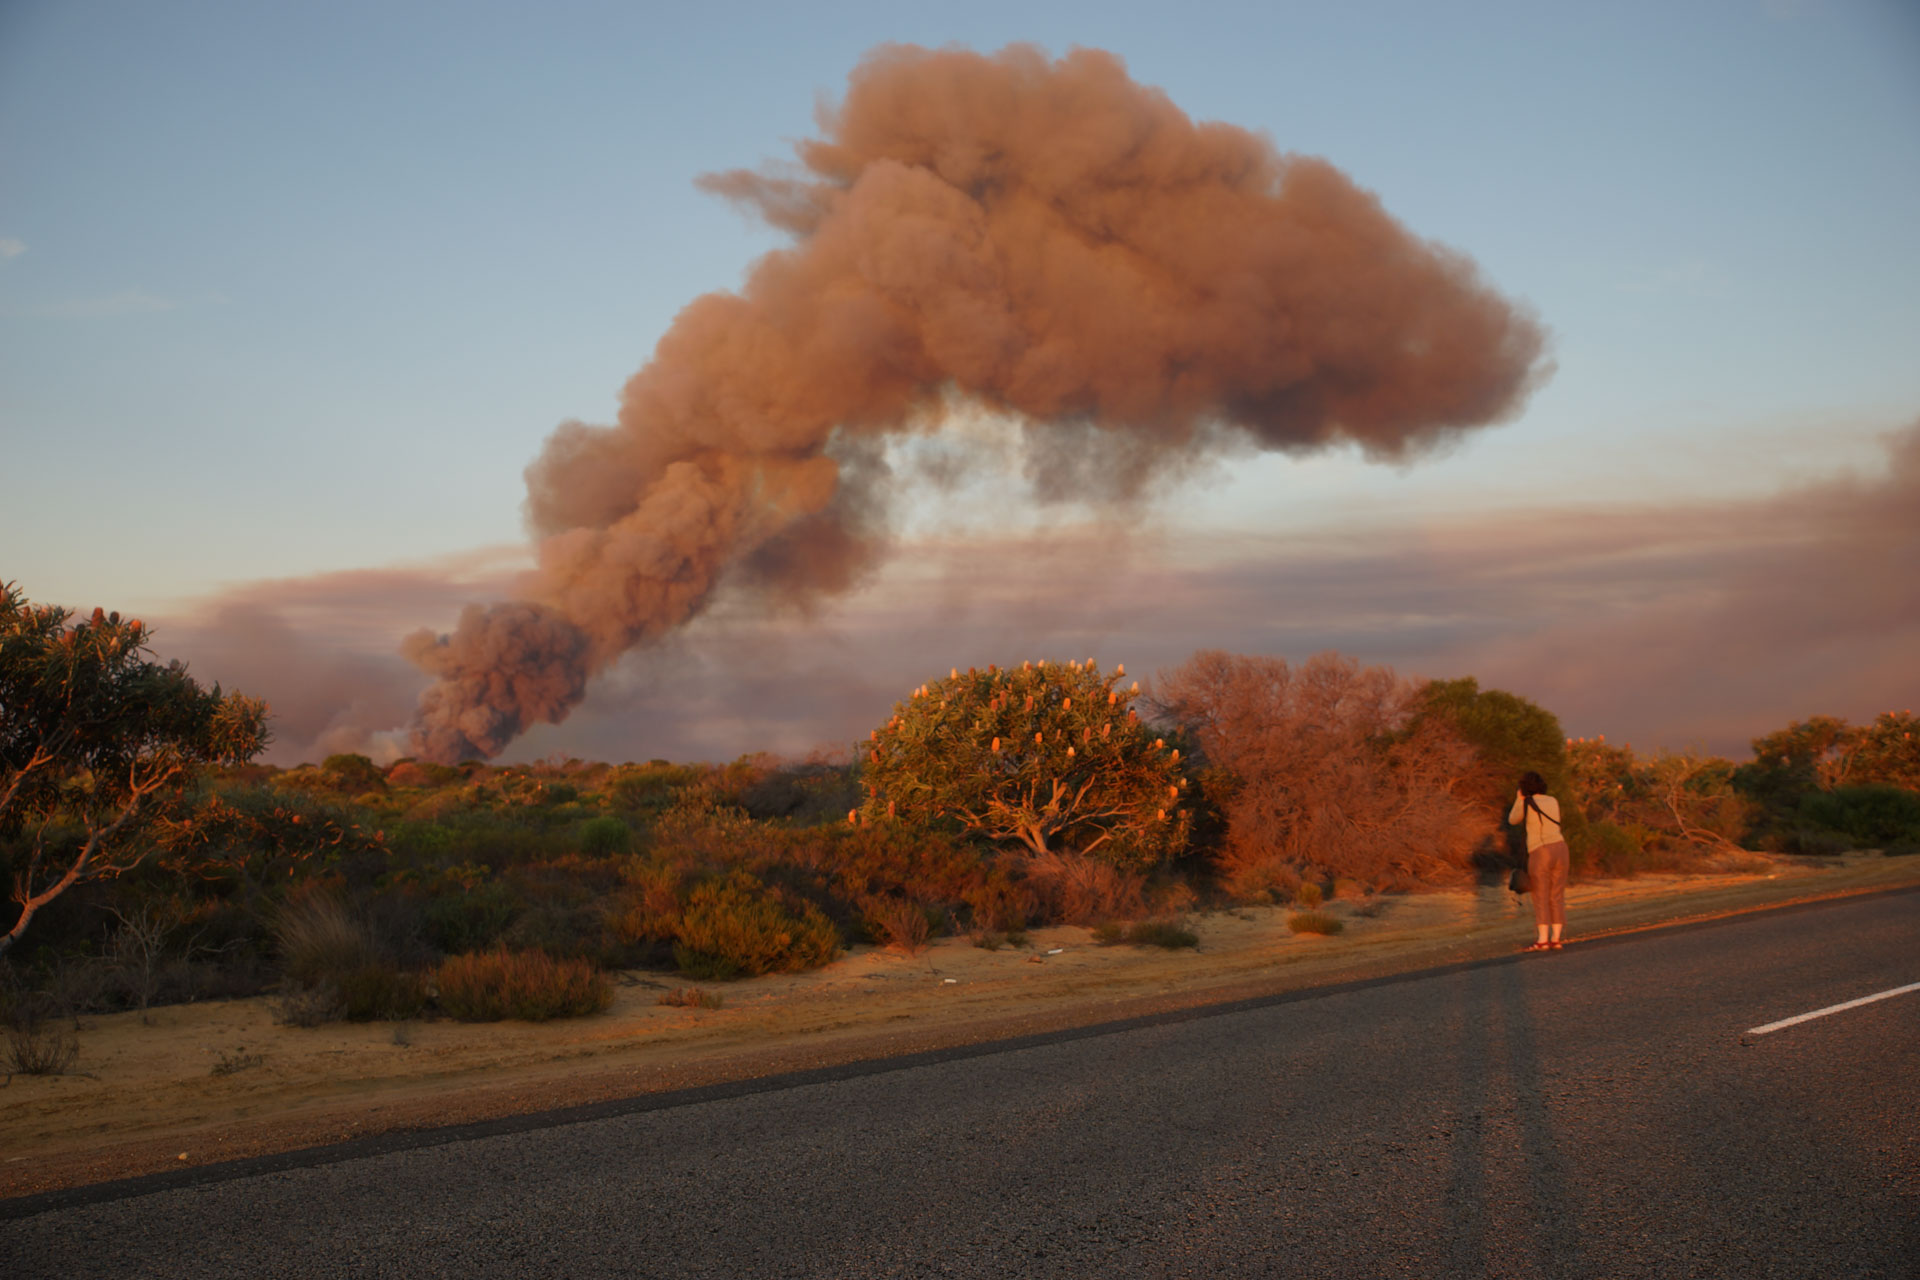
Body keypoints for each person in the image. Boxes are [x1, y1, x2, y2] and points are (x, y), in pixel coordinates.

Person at [1509, 771, 1568, 951]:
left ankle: (1542, 940)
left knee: (1540, 895)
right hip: (1561, 848)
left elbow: (1512, 820)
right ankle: (1556, 939)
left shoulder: (1525, 802)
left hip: (1540, 850)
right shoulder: (1553, 801)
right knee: (1556, 894)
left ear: (1524, 787)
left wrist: (1519, 799)